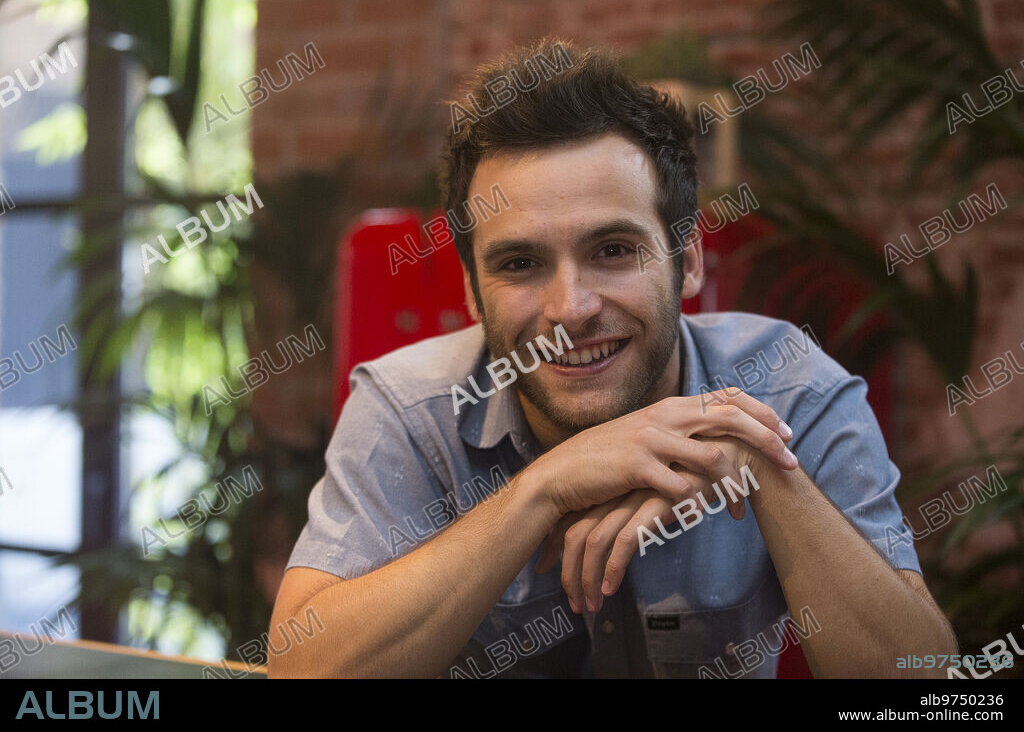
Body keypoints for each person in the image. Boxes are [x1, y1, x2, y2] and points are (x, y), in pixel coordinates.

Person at [267, 37, 956, 678]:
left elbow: (927, 686)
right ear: (473, 293)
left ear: (686, 263)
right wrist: (543, 488)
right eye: (520, 263)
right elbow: (301, 667)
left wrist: (756, 463)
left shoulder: (789, 389)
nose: (571, 309)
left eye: (613, 251)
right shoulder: (408, 410)